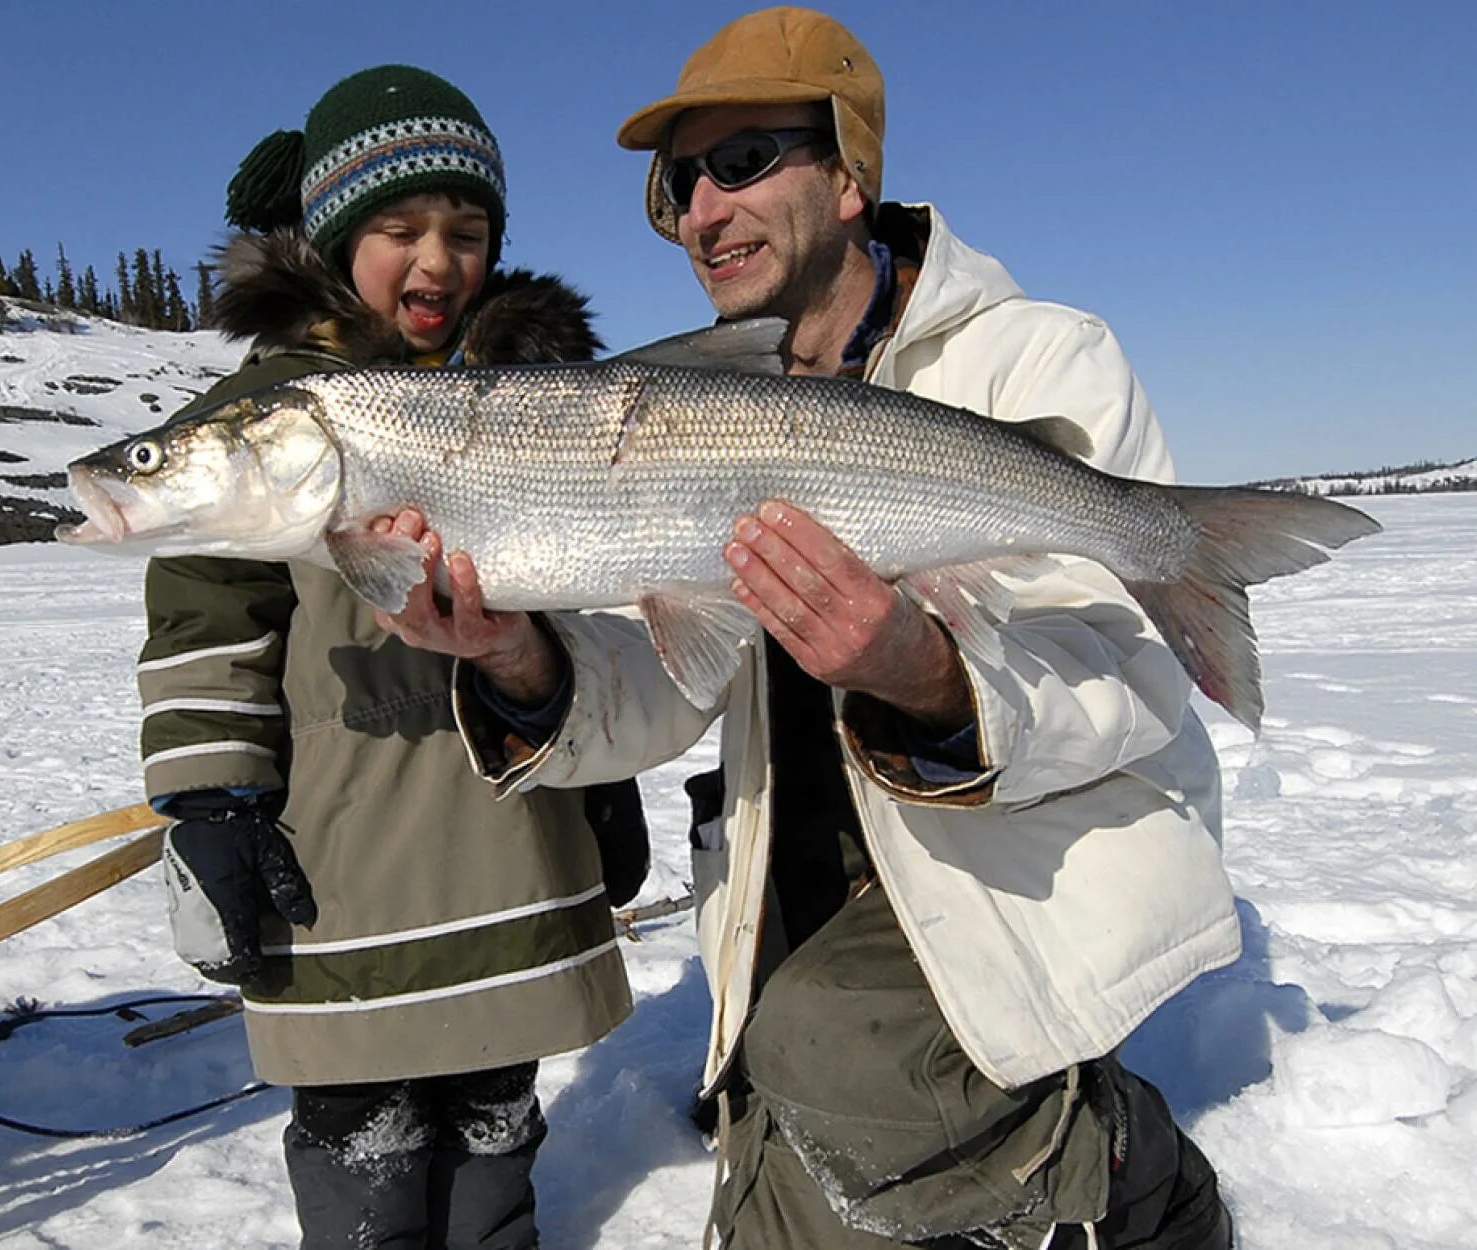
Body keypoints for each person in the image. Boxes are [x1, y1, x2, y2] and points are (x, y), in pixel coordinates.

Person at [369, 9, 1237, 1248]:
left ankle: (1126, 1169)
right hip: (795, 876)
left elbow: (1126, 680)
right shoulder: (684, 403)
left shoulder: (1037, 359)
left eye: (741, 163)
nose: (700, 213)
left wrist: (919, 670)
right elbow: (662, 690)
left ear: (849, 176)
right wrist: (511, 651)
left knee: (835, 1055)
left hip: (1014, 864)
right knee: (779, 1141)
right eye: (676, 185)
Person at [137, 65, 639, 1250]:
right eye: (397, 230)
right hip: (344, 833)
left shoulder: (538, 390)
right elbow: (209, 611)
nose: (435, 262)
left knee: (495, 1094)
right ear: (329, 240)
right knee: (362, 1107)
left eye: (465, 233)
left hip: (509, 817)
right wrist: (212, 798)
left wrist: (601, 775)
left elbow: (586, 599)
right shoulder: (271, 413)